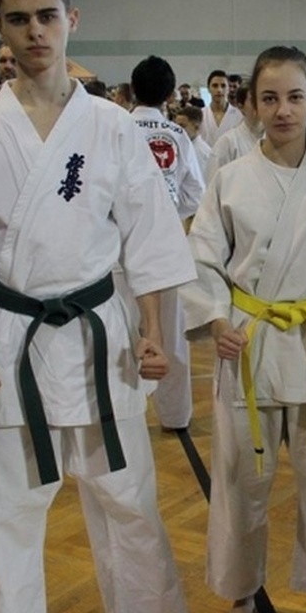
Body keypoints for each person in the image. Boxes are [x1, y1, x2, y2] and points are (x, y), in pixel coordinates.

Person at [0, 0, 194, 613]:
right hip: (12, 345)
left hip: (103, 343)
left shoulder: (111, 125)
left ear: (71, 21)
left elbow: (148, 236)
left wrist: (153, 332)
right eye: (19, 20)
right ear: (1, 29)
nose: (35, 32)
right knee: (2, 527)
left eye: (46, 17)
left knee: (131, 511)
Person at [181, 45, 306, 613]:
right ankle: (240, 594)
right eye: (270, 98)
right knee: (241, 481)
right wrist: (216, 319)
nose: (283, 110)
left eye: (295, 97)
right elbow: (201, 258)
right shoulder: (231, 179)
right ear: (252, 105)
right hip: (249, 345)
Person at [130, 55, 206, 431]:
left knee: (121, 328)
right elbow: (195, 192)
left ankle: (121, 413)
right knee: (171, 333)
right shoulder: (177, 134)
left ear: (132, 90)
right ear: (171, 94)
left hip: (120, 245)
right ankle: (175, 416)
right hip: (166, 243)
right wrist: (172, 214)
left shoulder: (118, 128)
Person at [204, 85, 262, 184]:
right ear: (241, 107)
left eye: (265, 99)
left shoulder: (276, 140)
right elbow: (213, 184)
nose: (260, 105)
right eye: (253, 100)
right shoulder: (227, 142)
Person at [201, 69, 242, 146]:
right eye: (215, 86)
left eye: (223, 86)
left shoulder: (239, 116)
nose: (219, 90)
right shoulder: (201, 114)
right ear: (208, 89)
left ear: (228, 89)